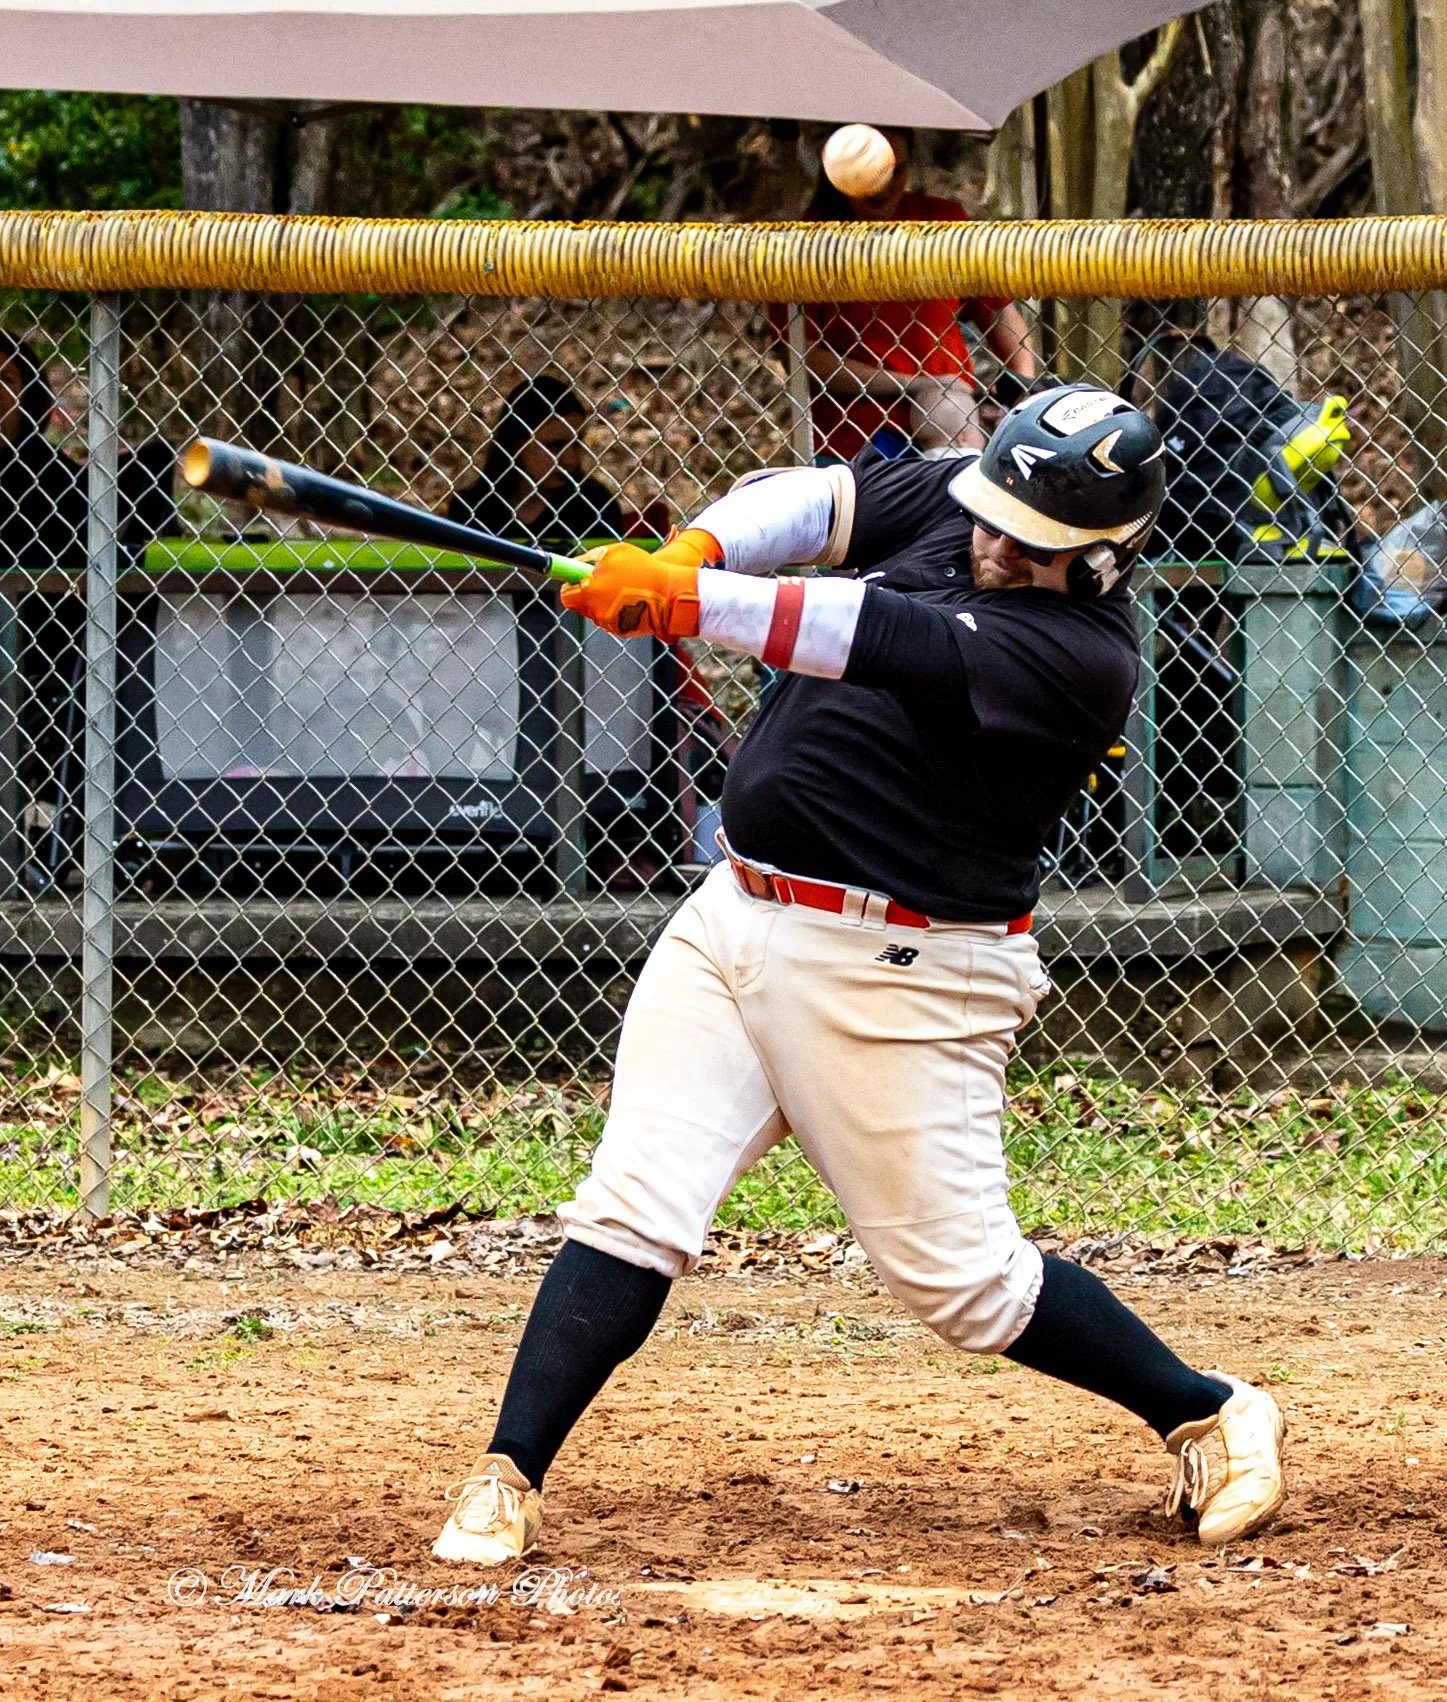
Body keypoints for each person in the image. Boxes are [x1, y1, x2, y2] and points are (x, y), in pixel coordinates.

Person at [429, 385, 1287, 1566]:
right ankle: (505, 1473)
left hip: (905, 969)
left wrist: (687, 602)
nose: (988, 539)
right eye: (990, 511)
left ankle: (1209, 1408)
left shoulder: (1080, 657)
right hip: (736, 913)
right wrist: (695, 550)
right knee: (636, 1203)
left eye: (1025, 537)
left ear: (1101, 554)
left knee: (965, 1286)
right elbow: (811, 502)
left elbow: (854, 631)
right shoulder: (973, 503)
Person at [790, 128, 1038, 461]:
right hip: (855, 437)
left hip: (955, 421)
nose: (886, 184)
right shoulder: (806, 242)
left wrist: (1022, 389)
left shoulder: (942, 221)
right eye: (872, 170)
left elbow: (998, 312)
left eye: (897, 170)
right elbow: (805, 357)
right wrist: (913, 385)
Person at [449, 373, 627, 546]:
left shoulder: (595, 506)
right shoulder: (471, 508)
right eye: (555, 446)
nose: (571, 460)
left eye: (576, 444)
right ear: (517, 443)